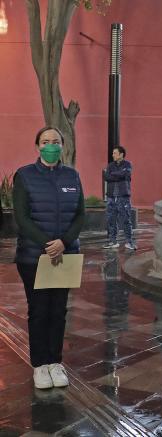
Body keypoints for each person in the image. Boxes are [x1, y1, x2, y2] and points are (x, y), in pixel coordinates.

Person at [13, 126, 85, 389]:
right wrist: (48, 244)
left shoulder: (72, 176)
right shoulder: (25, 176)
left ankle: (56, 362)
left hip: (66, 256)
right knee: (39, 311)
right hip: (34, 258)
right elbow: (21, 217)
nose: (51, 145)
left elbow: (81, 215)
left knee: (58, 311)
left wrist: (64, 242)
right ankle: (40, 365)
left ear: (62, 145)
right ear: (37, 146)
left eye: (55, 141)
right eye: (45, 141)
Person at [103, 145, 135, 250]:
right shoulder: (110, 165)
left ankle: (129, 242)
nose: (113, 155)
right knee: (111, 220)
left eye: (115, 153)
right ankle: (113, 241)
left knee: (126, 219)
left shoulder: (128, 164)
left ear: (121, 154)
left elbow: (126, 173)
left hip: (123, 197)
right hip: (111, 197)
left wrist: (114, 174)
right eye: (113, 153)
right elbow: (106, 177)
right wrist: (119, 174)